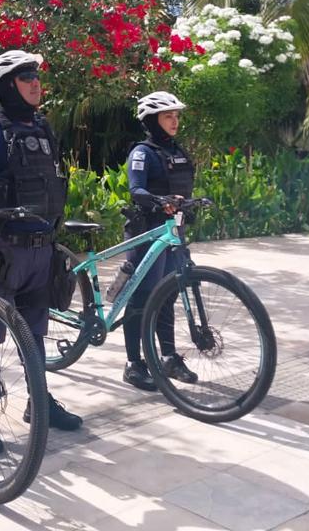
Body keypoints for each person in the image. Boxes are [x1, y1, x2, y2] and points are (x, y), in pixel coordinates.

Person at [0, 49, 82, 454]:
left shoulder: (43, 128)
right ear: (7, 86)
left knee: (35, 334)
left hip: (40, 252)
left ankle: (39, 403)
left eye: (36, 75)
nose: (36, 82)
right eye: (25, 77)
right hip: (0, 249)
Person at [117, 91, 199, 391]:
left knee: (168, 295)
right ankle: (133, 363)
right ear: (152, 120)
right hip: (146, 231)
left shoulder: (176, 151)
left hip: (173, 232)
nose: (175, 121)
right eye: (168, 116)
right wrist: (157, 200)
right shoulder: (142, 152)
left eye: (177, 115)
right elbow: (136, 190)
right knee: (141, 297)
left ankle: (168, 356)